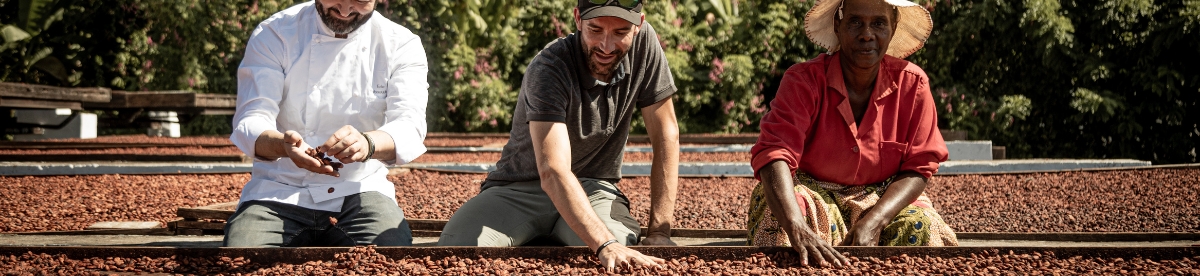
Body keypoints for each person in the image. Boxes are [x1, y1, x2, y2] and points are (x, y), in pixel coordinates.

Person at [438, 0, 680, 270]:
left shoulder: (645, 44)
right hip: (520, 187)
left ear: (639, 26)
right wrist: (603, 243)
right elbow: (553, 169)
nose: (607, 46)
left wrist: (660, 231)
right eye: (596, 30)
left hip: (593, 188)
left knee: (621, 253)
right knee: (458, 246)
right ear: (578, 19)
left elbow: (665, 134)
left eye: (620, 32)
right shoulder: (549, 67)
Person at [747, 0, 958, 267]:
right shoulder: (803, 80)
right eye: (855, 21)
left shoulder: (913, 84)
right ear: (838, 25)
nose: (866, 34)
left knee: (925, 228)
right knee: (780, 219)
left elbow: (920, 166)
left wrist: (875, 220)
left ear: (893, 28)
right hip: (815, 192)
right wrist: (796, 225)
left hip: (884, 198)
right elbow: (774, 152)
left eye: (879, 23)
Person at [226, 0, 428, 247]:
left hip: (360, 190)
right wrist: (282, 145)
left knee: (389, 258)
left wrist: (368, 143)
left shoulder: (400, 44)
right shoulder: (275, 33)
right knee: (241, 259)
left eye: (360, 1)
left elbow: (409, 125)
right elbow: (251, 119)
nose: (344, 11)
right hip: (278, 190)